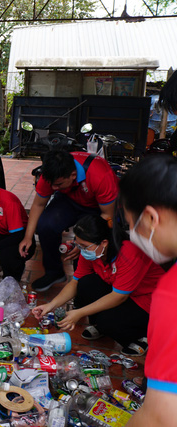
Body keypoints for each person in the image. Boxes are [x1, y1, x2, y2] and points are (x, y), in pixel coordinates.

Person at [32, 215, 163, 356]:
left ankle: (142, 336)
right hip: (120, 290)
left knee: (107, 321)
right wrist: (50, 305)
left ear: (104, 243)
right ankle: (101, 326)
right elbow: (75, 282)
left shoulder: (129, 253)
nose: (81, 250)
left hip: (148, 300)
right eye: (78, 244)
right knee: (86, 284)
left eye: (84, 246)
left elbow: (119, 297)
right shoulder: (92, 249)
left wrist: (79, 313)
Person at [118, 155, 177, 426]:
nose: (132, 233)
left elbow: (160, 416)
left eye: (131, 223)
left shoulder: (171, 292)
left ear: (152, 217)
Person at [19, 150, 118, 292]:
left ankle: (82, 283)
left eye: (58, 184)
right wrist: (28, 237)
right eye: (51, 184)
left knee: (86, 246)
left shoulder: (100, 175)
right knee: (46, 226)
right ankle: (54, 273)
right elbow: (38, 204)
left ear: (73, 175)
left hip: (97, 207)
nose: (53, 188)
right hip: (69, 200)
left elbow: (108, 215)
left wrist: (83, 243)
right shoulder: (52, 174)